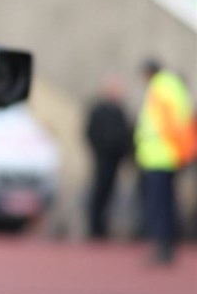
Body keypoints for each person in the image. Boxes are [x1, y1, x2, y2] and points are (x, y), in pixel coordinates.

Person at [134, 58, 196, 263]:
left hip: (160, 156)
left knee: (159, 204)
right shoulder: (172, 86)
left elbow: (169, 122)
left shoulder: (161, 88)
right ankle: (166, 246)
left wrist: (175, 147)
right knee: (166, 203)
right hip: (167, 155)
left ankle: (163, 248)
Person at [84, 74, 132, 239]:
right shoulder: (98, 110)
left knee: (111, 193)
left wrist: (124, 154)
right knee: (99, 192)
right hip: (102, 159)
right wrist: (98, 150)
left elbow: (125, 134)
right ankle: (95, 227)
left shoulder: (119, 111)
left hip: (115, 159)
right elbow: (90, 132)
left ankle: (104, 226)